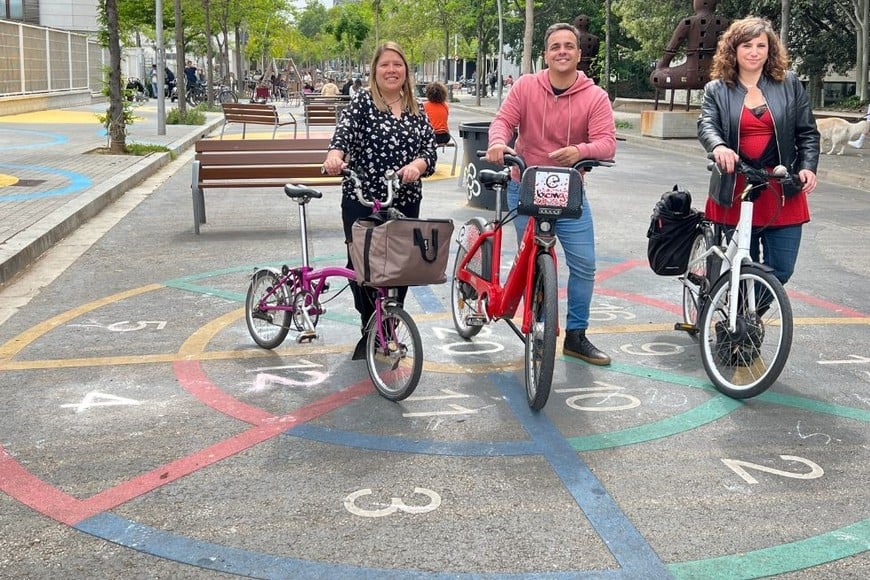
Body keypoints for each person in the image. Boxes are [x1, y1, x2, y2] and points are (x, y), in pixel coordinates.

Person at [485, 22, 616, 366]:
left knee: (584, 264)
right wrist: (499, 143)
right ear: (545, 54)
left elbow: (607, 142)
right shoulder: (526, 86)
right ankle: (538, 327)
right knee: (530, 262)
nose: (562, 51)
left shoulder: (595, 96)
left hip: (569, 193)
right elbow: (503, 121)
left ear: (579, 53)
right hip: (525, 184)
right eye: (555, 46)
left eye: (569, 46)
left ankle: (576, 335)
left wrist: (580, 151)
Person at [323, 42, 437, 360]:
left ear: (405, 71)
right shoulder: (363, 103)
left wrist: (417, 166)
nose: (391, 70)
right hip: (363, 197)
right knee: (362, 266)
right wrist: (335, 155)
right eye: (385, 65)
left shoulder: (417, 108)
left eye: (397, 65)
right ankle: (369, 324)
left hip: (405, 198)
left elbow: (429, 150)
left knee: (401, 268)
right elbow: (342, 135)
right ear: (375, 70)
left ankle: (389, 323)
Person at [698, 16, 820, 286]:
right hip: (737, 186)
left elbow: (807, 132)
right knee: (741, 271)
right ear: (733, 50)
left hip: (782, 185)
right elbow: (707, 124)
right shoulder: (716, 89)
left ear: (770, 50)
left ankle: (749, 319)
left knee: (781, 271)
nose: (754, 52)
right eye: (746, 46)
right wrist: (719, 147)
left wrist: (808, 167)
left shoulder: (789, 83)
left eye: (760, 46)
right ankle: (737, 324)